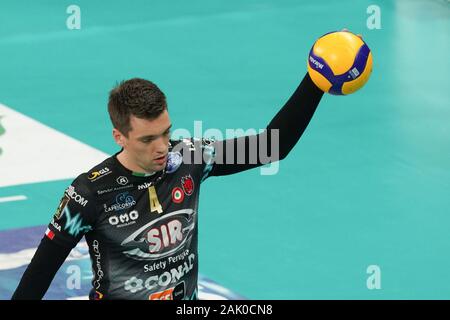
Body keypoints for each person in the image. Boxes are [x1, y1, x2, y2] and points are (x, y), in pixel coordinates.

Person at [11, 71, 324, 300]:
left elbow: (271, 147)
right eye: (148, 139)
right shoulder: (88, 194)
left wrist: (315, 81)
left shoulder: (189, 156)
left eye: (165, 132)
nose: (162, 147)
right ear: (119, 137)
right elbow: (39, 274)